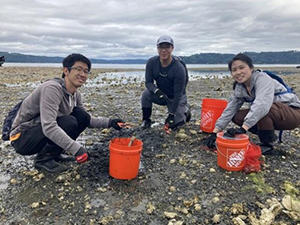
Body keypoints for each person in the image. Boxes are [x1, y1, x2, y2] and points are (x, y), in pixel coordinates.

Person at [9, 53, 125, 173]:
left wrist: (111, 122)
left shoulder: (75, 94)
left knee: (81, 116)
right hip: (22, 138)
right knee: (69, 122)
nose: (83, 74)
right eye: (78, 69)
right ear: (66, 71)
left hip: (38, 132)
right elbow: (49, 126)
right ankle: (43, 160)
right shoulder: (52, 88)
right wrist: (77, 149)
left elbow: (87, 120)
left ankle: (54, 154)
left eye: (86, 71)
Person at [206, 53, 300, 155]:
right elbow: (229, 109)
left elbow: (262, 104)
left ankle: (267, 146)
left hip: (292, 113)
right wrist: (215, 132)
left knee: (263, 111)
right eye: (234, 70)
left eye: (242, 68)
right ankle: (269, 135)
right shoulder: (240, 87)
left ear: (251, 68)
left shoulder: (263, 79)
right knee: (236, 116)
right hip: (274, 112)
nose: (238, 72)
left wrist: (243, 129)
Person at [140, 35, 191, 130]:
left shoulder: (178, 68)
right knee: (146, 94)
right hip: (162, 95)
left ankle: (186, 110)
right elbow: (149, 83)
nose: (164, 50)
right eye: (161, 47)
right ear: (157, 48)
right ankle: (146, 120)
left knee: (177, 125)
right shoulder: (152, 62)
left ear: (172, 48)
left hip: (177, 97)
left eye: (167, 47)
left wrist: (171, 115)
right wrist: (157, 91)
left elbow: (178, 93)